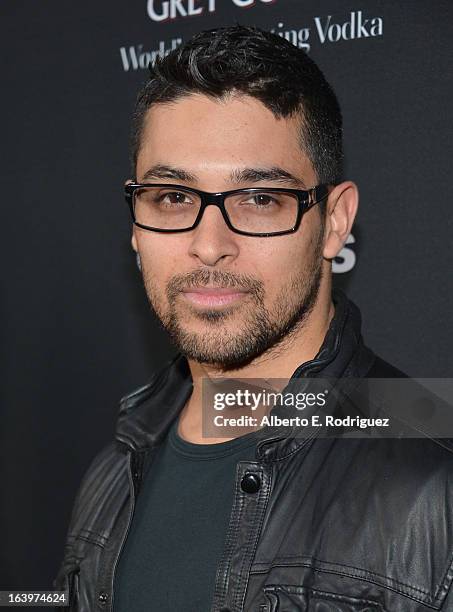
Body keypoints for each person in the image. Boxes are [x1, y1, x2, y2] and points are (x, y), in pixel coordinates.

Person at [54, 25, 453, 611]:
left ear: (336, 221)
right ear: (136, 222)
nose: (208, 244)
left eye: (260, 199)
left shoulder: (435, 477)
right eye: (172, 197)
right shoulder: (113, 471)